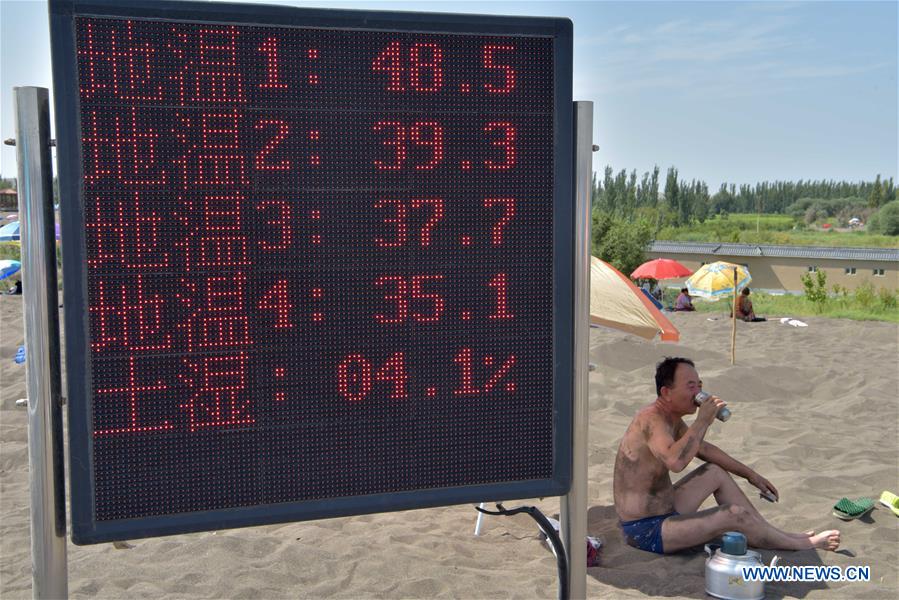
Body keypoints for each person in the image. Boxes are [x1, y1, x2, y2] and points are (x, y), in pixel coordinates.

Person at [612, 357, 840, 554]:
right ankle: (801, 545)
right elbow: (675, 461)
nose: (698, 392)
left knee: (714, 471)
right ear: (666, 392)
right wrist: (703, 420)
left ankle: (779, 535)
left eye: (699, 385)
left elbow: (705, 450)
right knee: (732, 515)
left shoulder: (672, 419)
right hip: (645, 530)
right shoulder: (651, 419)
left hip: (666, 510)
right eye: (691, 386)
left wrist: (751, 475)